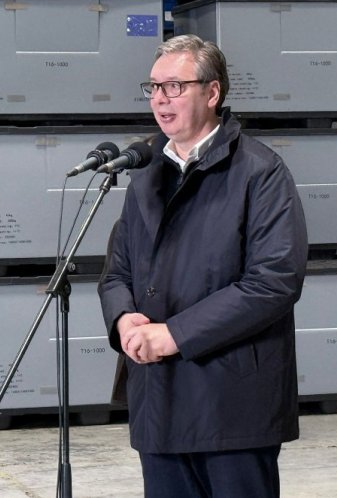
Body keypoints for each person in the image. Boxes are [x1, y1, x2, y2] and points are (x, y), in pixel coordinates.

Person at [98, 34, 308, 498]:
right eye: (153, 87)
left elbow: (274, 281)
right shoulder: (145, 173)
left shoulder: (259, 171)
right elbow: (117, 271)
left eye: (174, 86)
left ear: (212, 93)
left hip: (231, 404)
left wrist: (174, 334)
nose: (160, 99)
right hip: (159, 398)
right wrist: (123, 318)